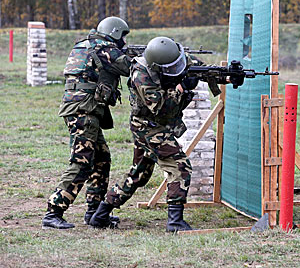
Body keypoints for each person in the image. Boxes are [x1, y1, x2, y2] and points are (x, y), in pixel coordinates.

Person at [89, 36, 199, 232]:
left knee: (139, 174)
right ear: (157, 65)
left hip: (152, 126)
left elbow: (193, 65)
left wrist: (222, 76)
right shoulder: (141, 75)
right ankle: (174, 222)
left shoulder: (170, 56)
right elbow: (162, 107)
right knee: (180, 167)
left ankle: (101, 214)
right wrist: (182, 88)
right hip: (147, 127)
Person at [42, 16, 131, 229]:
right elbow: (128, 67)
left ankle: (94, 211)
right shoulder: (104, 48)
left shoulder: (87, 44)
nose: (124, 42)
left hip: (81, 109)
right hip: (84, 111)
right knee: (81, 162)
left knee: (101, 158)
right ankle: (53, 212)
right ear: (115, 32)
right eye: (123, 37)